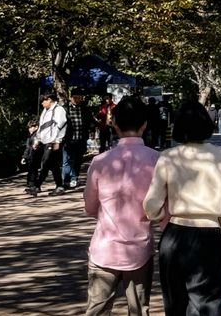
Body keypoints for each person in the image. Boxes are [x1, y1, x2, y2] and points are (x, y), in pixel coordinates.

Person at [144, 100, 221, 316]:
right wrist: (220, 219)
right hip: (208, 234)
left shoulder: (168, 157)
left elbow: (152, 204)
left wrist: (159, 215)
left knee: (175, 300)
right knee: (208, 301)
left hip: (175, 234)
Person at [83, 95, 164, 316]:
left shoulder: (100, 162)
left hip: (104, 249)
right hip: (140, 251)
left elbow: (90, 207)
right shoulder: (157, 160)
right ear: (145, 125)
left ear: (115, 125)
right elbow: (161, 211)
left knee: (96, 310)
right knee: (139, 310)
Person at [25, 91, 67, 196]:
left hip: (52, 141)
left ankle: (37, 186)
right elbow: (42, 126)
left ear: (49, 100)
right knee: (53, 165)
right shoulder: (45, 111)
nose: (42, 103)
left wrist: (58, 140)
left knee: (46, 163)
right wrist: (37, 139)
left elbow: (62, 126)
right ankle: (60, 186)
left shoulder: (59, 110)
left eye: (43, 101)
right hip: (44, 141)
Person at [63, 88, 93, 189]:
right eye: (75, 97)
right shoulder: (65, 109)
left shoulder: (84, 109)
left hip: (80, 138)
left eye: (79, 98)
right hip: (68, 139)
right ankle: (65, 180)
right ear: (71, 98)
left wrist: (91, 131)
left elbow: (89, 121)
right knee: (67, 160)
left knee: (78, 160)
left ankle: (74, 178)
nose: (77, 100)